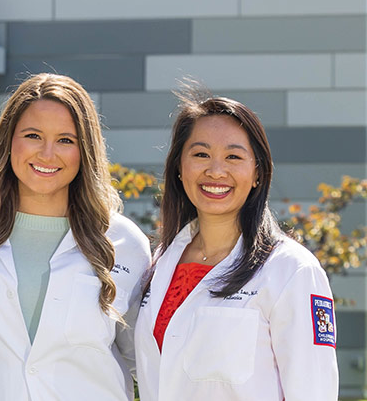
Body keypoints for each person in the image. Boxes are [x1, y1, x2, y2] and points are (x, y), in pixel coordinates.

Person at [0, 74, 150, 400]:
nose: (48, 154)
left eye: (66, 140)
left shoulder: (123, 241)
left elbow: (147, 363)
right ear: (8, 140)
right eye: (33, 135)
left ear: (86, 150)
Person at [133, 91, 338, 400]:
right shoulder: (159, 263)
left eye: (234, 156)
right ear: (179, 166)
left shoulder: (291, 270)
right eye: (201, 154)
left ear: (257, 173)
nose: (216, 171)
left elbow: (314, 391)